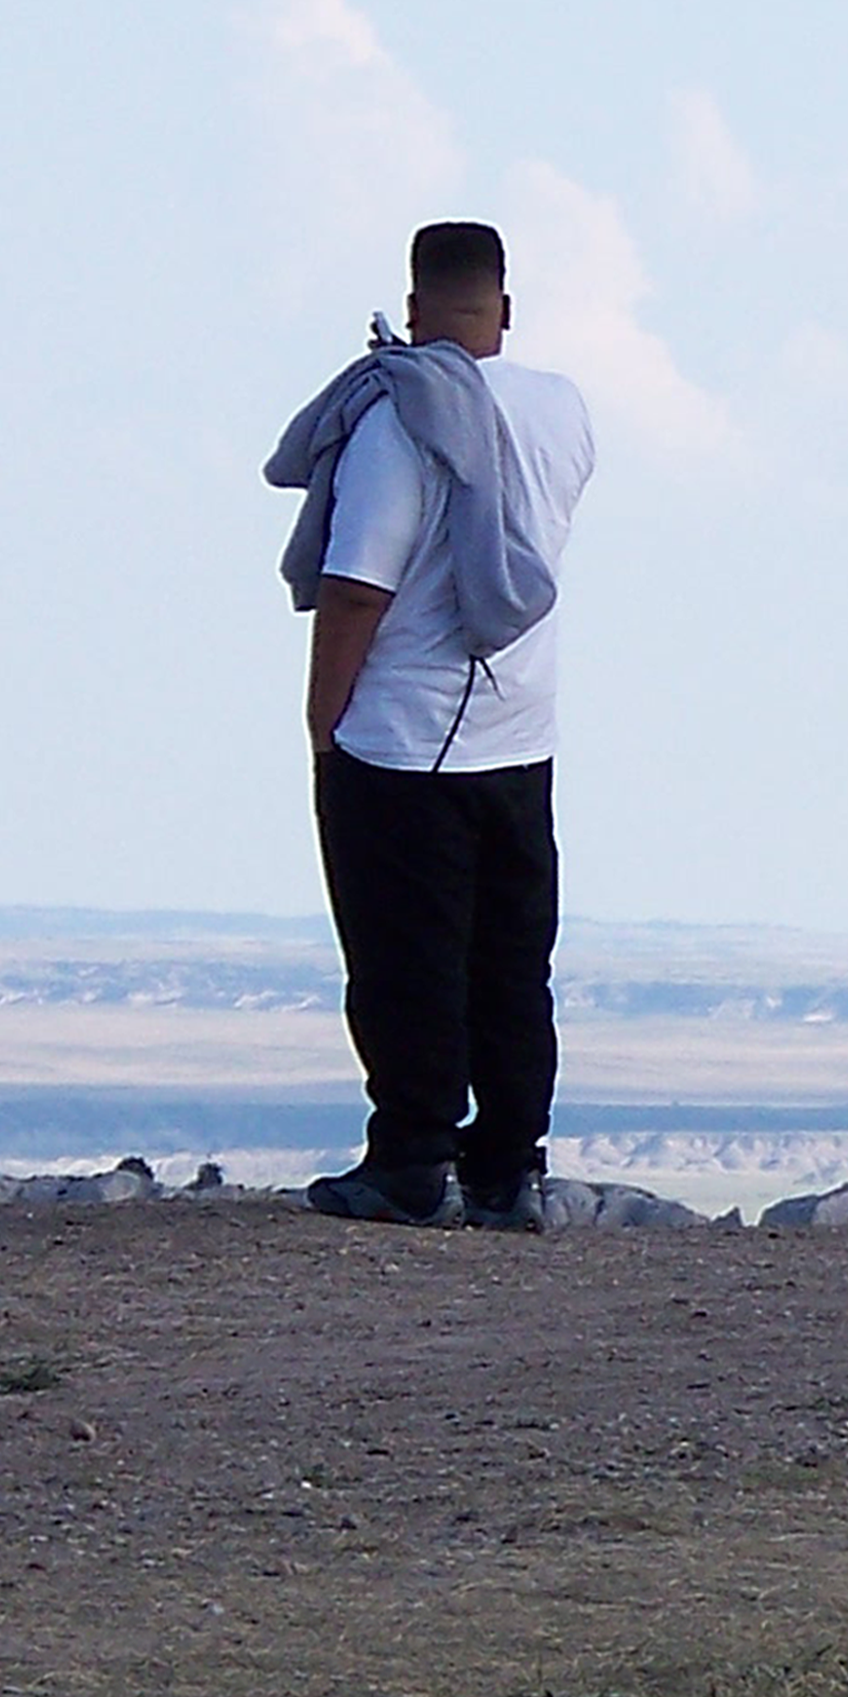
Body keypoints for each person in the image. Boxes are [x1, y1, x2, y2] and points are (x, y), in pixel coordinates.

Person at [265, 221, 597, 1230]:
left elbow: (356, 584)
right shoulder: (563, 411)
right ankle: (508, 1169)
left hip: (405, 737)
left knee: (405, 959)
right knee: (510, 961)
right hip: (523, 730)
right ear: (505, 305)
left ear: (412, 309)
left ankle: (408, 1160)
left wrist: (324, 718)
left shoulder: (401, 414)